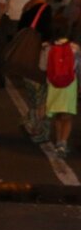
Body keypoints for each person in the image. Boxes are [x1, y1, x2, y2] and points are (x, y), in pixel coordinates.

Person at [18, 0, 53, 143]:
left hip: (25, 57)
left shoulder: (27, 6)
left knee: (33, 96)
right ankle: (39, 130)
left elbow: (20, 29)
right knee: (42, 97)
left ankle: (30, 123)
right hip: (39, 58)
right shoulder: (45, 9)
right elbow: (46, 35)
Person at [39, 18, 80, 157]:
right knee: (67, 115)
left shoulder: (47, 47)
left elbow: (42, 67)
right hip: (70, 85)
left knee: (57, 114)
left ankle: (58, 142)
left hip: (53, 85)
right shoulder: (74, 48)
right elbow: (78, 67)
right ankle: (63, 143)